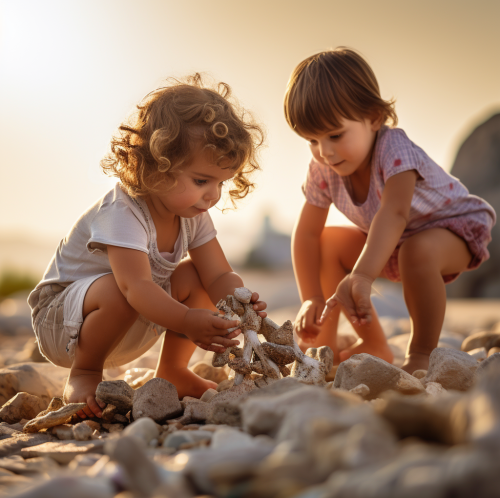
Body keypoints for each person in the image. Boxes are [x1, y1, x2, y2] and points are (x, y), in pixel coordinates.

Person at [28, 74, 267, 419]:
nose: (212, 195)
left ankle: (172, 370)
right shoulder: (123, 211)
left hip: (131, 318)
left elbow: (218, 274)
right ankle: (84, 374)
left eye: (221, 183)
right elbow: (135, 286)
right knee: (117, 289)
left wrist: (242, 303)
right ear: (157, 167)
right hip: (64, 325)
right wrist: (187, 320)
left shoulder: (191, 211)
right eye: (201, 180)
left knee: (195, 274)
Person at [284, 47, 496, 374]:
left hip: (452, 229)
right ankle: (332, 343)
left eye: (335, 135)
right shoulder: (323, 169)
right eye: (311, 140)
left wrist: (363, 274)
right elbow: (308, 233)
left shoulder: (393, 148)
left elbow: (394, 214)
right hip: (390, 242)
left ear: (373, 117)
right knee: (327, 242)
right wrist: (310, 297)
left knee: (417, 249)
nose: (324, 151)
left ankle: (422, 351)